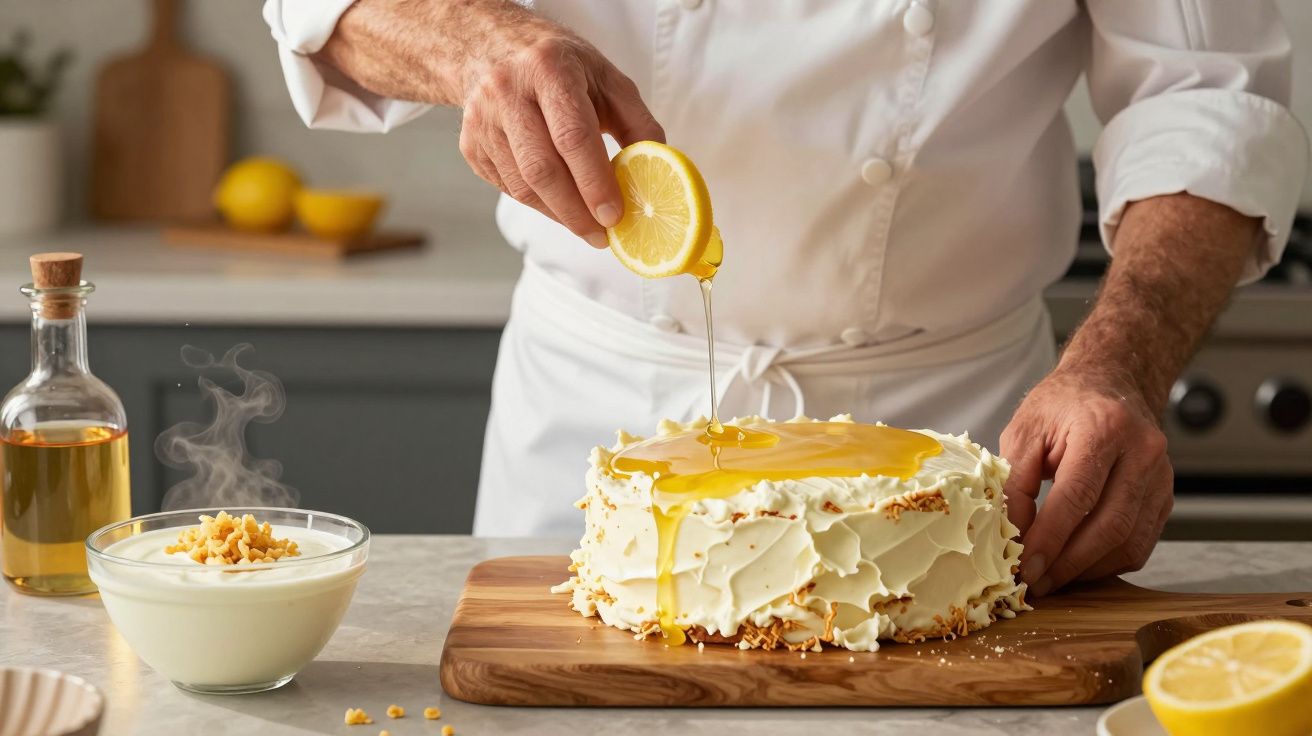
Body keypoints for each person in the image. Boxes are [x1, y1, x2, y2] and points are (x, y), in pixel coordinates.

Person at [263, 1, 1306, 596]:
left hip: (952, 445)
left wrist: (1116, 364)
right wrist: (470, 42)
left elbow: (1207, 89)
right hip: (595, 430)